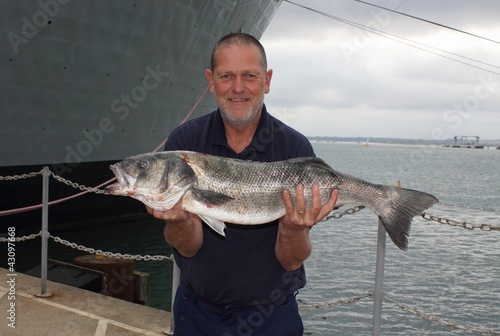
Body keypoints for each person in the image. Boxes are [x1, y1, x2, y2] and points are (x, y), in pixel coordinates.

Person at [147, 32, 338, 336]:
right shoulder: (184, 144)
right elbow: (189, 246)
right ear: (211, 81)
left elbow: (290, 261)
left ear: (267, 80)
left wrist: (293, 228)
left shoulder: (294, 147)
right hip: (197, 313)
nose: (238, 88)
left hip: (272, 318)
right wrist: (180, 220)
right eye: (227, 76)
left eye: (250, 76)